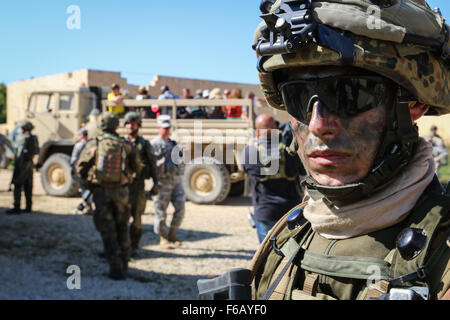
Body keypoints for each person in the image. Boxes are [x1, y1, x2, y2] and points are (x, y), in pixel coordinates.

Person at [247, 0, 450, 300]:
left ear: (414, 105)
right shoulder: (292, 231)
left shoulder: (440, 254)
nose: (317, 124)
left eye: (350, 95)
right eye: (298, 96)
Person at [77, 112, 141, 280]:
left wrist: (87, 183)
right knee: (123, 227)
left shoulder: (95, 144)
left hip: (101, 192)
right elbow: (137, 167)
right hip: (121, 191)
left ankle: (115, 270)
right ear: (115, 126)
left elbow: (80, 167)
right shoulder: (125, 145)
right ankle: (125, 267)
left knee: (108, 230)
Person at [242, 114, 304, 243]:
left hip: (265, 211)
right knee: (293, 254)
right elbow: (303, 171)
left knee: (267, 256)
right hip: (291, 211)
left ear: (258, 131)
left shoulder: (250, 152)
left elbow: (246, 170)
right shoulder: (290, 150)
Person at [123, 112, 159, 257]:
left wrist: (156, 184)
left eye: (133, 123)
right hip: (123, 187)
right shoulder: (121, 143)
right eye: (128, 123)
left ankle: (134, 246)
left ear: (138, 125)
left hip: (138, 186)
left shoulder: (144, 144)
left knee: (137, 219)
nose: (130, 126)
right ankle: (122, 245)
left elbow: (153, 164)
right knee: (121, 219)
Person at [151, 115, 186, 250]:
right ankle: (163, 237)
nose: (166, 130)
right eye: (163, 128)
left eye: (168, 128)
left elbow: (181, 162)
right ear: (158, 128)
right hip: (162, 182)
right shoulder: (153, 144)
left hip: (176, 181)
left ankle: (173, 234)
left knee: (180, 208)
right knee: (161, 211)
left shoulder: (174, 144)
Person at [6, 121, 39, 214]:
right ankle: (28, 206)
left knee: (17, 185)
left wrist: (17, 167)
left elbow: (20, 154)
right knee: (28, 185)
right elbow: (36, 151)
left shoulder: (23, 138)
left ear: (23, 129)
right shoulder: (34, 138)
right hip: (30, 163)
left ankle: (17, 207)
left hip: (22, 164)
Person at [70, 128, 93, 215]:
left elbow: (74, 159)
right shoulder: (91, 144)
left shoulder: (78, 146)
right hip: (90, 171)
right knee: (89, 190)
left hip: (81, 171)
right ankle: (89, 207)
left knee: (84, 190)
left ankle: (88, 208)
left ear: (82, 135)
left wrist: (72, 169)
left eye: (79, 135)